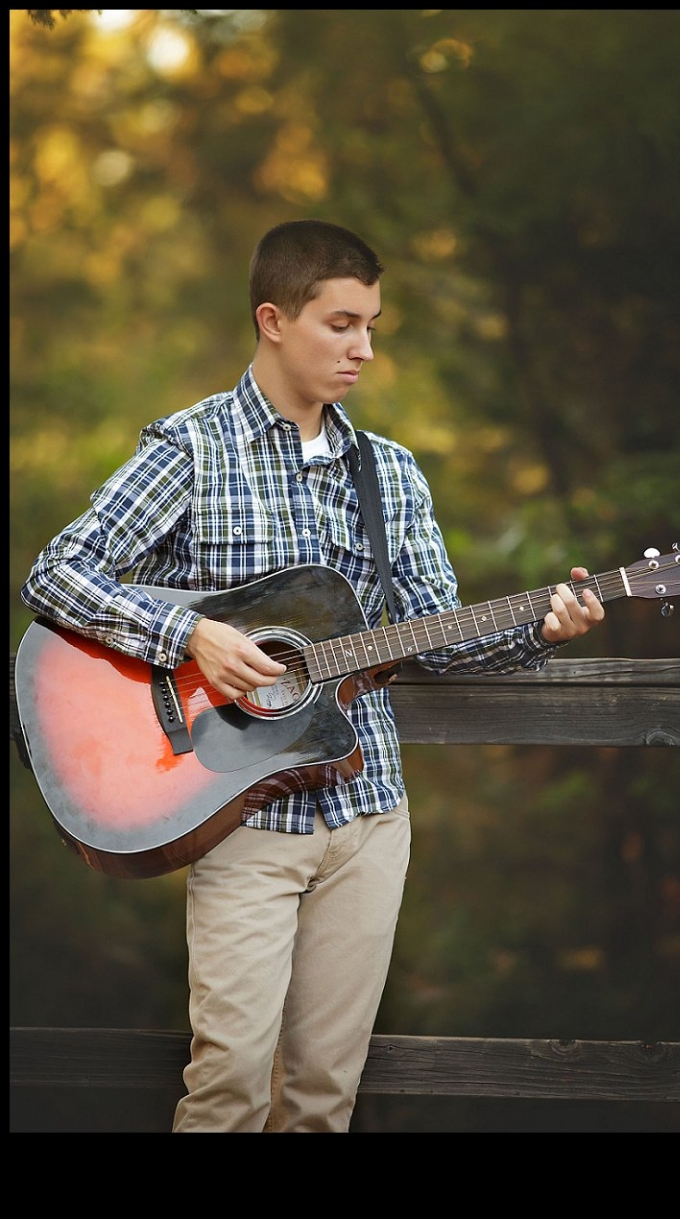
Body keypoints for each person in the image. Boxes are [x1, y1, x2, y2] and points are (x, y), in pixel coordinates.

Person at [20, 218, 606, 1132]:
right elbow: (56, 573)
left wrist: (543, 627)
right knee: (227, 1090)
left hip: (369, 814)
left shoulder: (392, 473)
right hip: (239, 814)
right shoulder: (190, 448)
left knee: (324, 1100)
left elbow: (435, 637)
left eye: (372, 326)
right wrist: (189, 633)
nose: (364, 349)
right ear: (273, 319)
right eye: (341, 324)